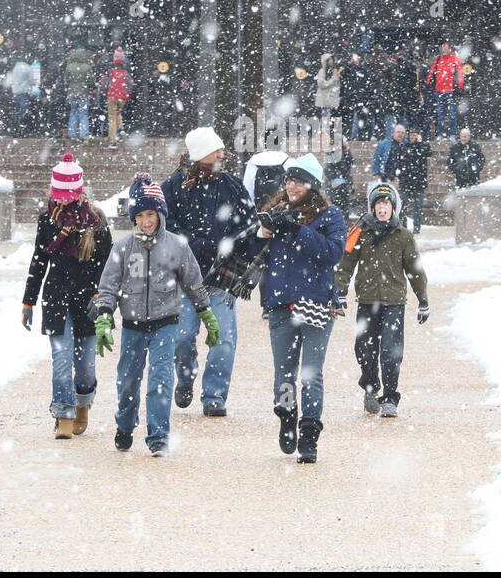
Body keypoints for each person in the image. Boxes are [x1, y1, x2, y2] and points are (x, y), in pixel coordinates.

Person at [93, 173, 218, 457]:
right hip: (133, 326)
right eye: (140, 215)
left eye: (151, 214)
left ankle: (159, 435)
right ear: (133, 218)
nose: (146, 221)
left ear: (160, 214)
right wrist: (104, 315)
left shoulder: (177, 246)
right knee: (127, 382)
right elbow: (109, 285)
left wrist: (206, 313)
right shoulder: (122, 248)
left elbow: (193, 282)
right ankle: (125, 424)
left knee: (160, 381)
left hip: (165, 323)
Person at [250, 154, 347, 463]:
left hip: (315, 302)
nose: (292, 186)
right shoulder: (275, 212)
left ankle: (309, 433)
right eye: (289, 179)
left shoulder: (331, 216)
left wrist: (298, 231)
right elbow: (255, 252)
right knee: (284, 373)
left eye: (299, 181)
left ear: (312, 186)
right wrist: (261, 232)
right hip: (280, 303)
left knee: (311, 374)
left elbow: (332, 254)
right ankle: (287, 415)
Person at [162, 127, 255, 417]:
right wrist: (197, 245)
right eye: (217, 150)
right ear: (202, 154)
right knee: (181, 337)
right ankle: (185, 378)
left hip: (221, 275)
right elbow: (167, 223)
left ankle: (214, 395)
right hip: (184, 276)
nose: (222, 154)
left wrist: (233, 246)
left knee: (224, 339)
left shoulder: (232, 185)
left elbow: (248, 221)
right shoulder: (173, 186)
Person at [22, 154, 113, 438]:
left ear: (79, 192)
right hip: (56, 297)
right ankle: (63, 413)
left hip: (88, 299)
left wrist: (103, 300)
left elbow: (108, 265)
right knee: (61, 359)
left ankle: (83, 403)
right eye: (58, 195)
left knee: (85, 364)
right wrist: (28, 301)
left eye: (67, 195)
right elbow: (39, 261)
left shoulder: (95, 222)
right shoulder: (47, 221)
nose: (62, 201)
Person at [334, 183, 429, 418]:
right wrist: (340, 291)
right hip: (367, 300)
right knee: (364, 349)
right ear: (372, 207)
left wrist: (423, 300)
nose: (382, 208)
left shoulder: (403, 236)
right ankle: (370, 387)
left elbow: (415, 270)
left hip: (393, 302)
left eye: (386, 204)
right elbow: (346, 264)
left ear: (393, 207)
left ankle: (389, 397)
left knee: (390, 351)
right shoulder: (361, 231)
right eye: (378, 203)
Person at [386, 128, 431, 233]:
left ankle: (416, 228)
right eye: (411, 135)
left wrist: (420, 143)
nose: (413, 137)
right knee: (401, 206)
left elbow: (428, 152)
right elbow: (397, 162)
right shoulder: (404, 147)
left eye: (415, 135)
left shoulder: (422, 146)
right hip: (406, 182)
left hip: (419, 182)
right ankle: (403, 227)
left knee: (418, 208)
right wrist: (395, 175)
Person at [425, 42, 464, 140]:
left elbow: (460, 74)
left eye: (446, 48)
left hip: (450, 90)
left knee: (452, 114)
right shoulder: (438, 59)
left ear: (450, 49)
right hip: (439, 90)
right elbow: (431, 72)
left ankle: (452, 134)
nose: (444, 50)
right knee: (440, 114)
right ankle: (440, 134)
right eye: (443, 48)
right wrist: (428, 83)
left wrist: (459, 87)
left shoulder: (455, 59)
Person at [99, 48, 133, 144]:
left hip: (112, 96)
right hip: (122, 97)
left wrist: (107, 92)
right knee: (118, 113)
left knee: (112, 117)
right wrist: (127, 95)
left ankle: (113, 140)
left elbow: (104, 85)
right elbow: (130, 85)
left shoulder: (110, 70)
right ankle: (121, 129)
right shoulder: (126, 71)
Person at [62, 47, 94, 140]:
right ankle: (84, 134)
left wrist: (70, 86)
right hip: (84, 93)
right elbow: (91, 81)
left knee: (73, 112)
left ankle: (72, 133)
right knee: (83, 114)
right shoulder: (87, 67)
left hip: (72, 93)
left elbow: (66, 80)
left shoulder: (69, 67)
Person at [314, 53, 341, 128]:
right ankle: (324, 132)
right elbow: (321, 84)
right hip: (325, 98)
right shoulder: (322, 71)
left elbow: (336, 85)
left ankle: (327, 132)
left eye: (332, 59)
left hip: (332, 98)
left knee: (329, 117)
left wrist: (337, 80)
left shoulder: (334, 70)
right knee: (325, 116)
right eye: (329, 59)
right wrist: (332, 80)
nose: (331, 61)